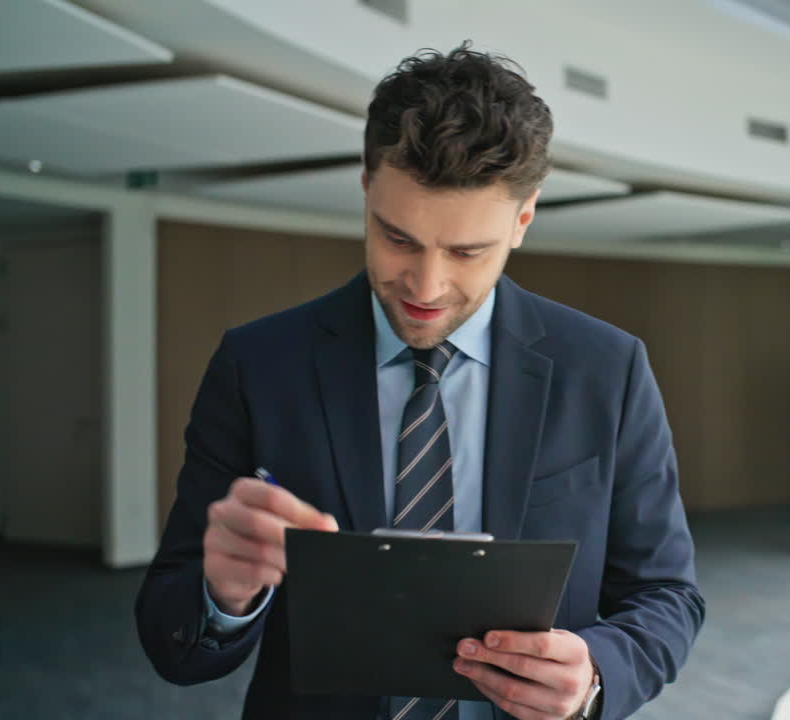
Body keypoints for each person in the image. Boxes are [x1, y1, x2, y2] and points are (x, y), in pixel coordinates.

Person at [134, 42, 704, 720]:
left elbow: (668, 596)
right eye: (398, 239)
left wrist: (596, 676)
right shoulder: (257, 364)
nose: (426, 288)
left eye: (467, 251)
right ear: (367, 185)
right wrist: (224, 594)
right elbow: (173, 641)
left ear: (523, 220)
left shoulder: (608, 370)